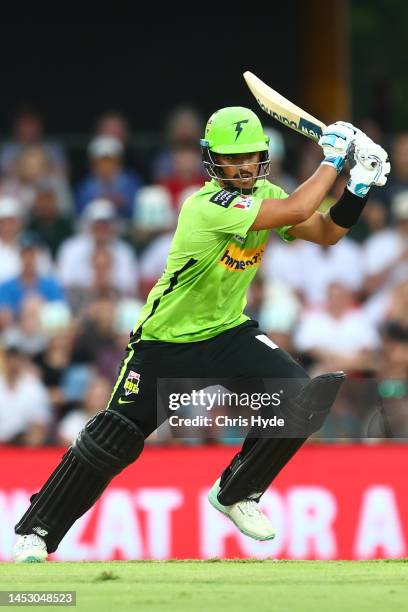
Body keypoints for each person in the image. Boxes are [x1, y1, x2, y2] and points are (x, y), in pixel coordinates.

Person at [13, 106, 390, 562]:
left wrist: (360, 182)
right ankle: (35, 531)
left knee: (299, 395)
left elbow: (328, 230)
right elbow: (298, 207)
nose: (244, 167)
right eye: (233, 159)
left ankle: (237, 492)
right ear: (213, 161)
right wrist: (332, 159)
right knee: (112, 441)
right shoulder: (205, 206)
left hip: (227, 332)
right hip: (164, 341)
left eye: (251, 157)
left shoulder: (265, 192)